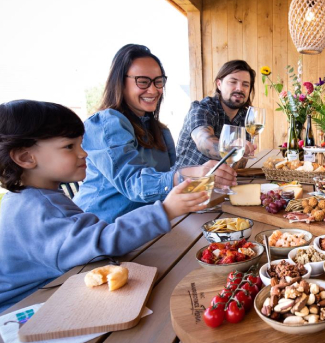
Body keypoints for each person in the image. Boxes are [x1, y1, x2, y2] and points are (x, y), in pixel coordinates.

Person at [0, 100, 210, 312]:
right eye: (69, 146)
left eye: (81, 144)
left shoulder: (33, 198)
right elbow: (100, 243)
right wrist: (166, 210)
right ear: (25, 157)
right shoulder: (36, 209)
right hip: (20, 313)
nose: (84, 153)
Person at [73, 44, 235, 223]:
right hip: (98, 230)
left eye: (158, 82)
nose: (153, 90)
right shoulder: (106, 123)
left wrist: (207, 178)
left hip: (144, 228)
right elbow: (134, 184)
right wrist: (191, 174)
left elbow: (166, 183)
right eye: (143, 81)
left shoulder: (160, 131)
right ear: (120, 82)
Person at [176, 60, 257, 168]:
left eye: (245, 84)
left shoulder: (245, 117)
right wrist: (233, 149)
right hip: (189, 182)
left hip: (223, 182)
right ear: (219, 84)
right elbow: (204, 141)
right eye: (233, 82)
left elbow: (239, 165)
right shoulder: (203, 108)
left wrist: (244, 153)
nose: (240, 88)